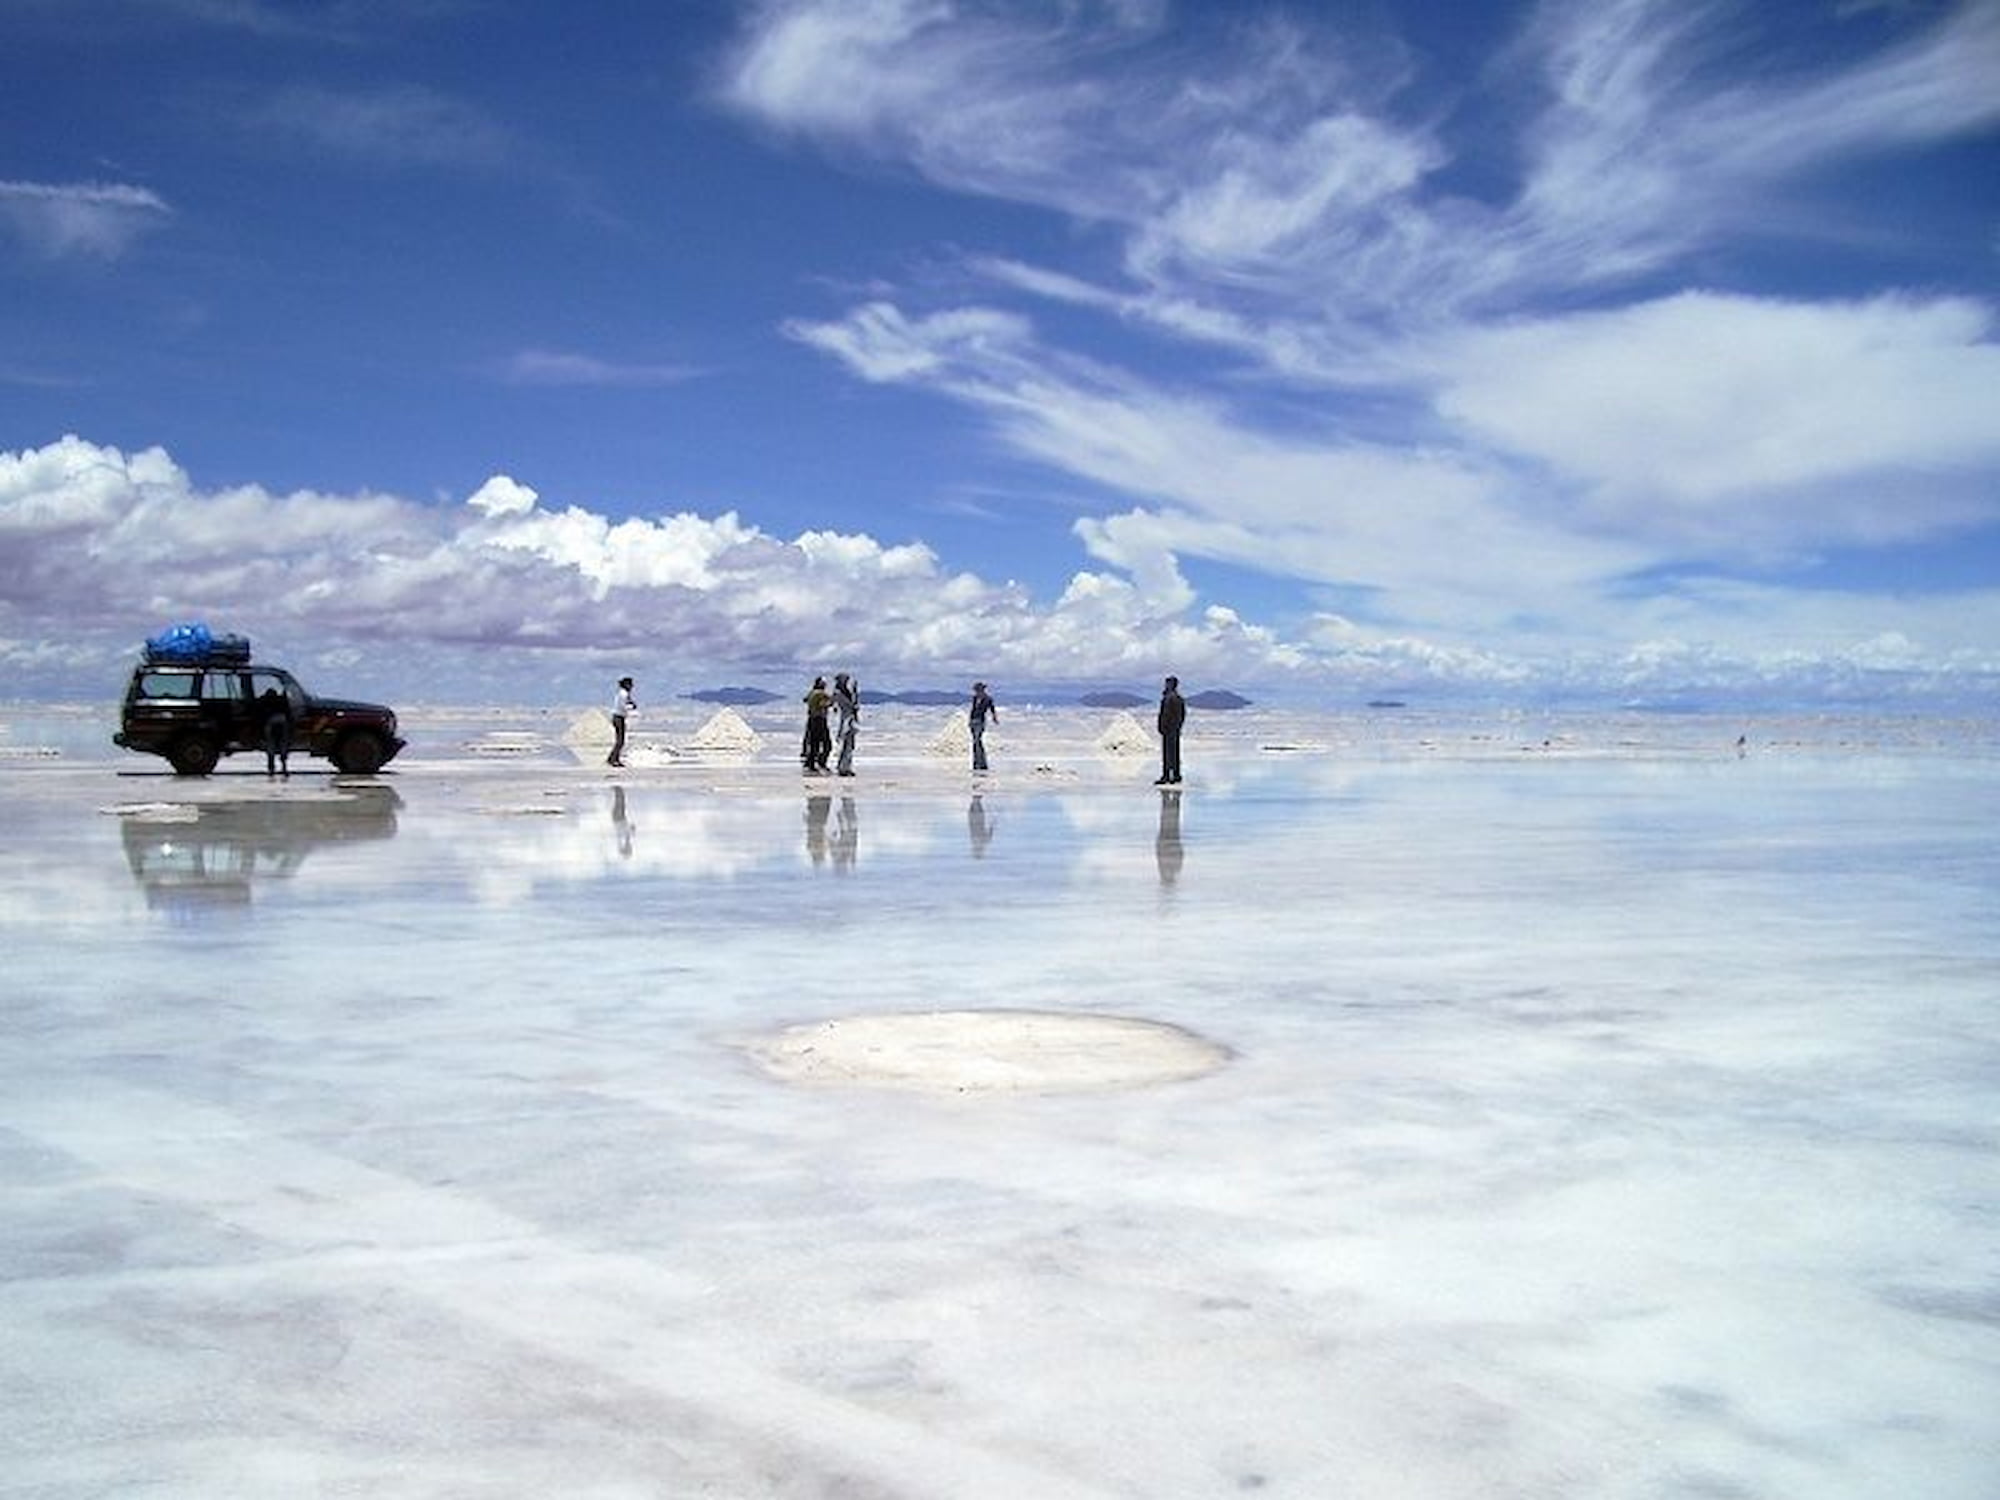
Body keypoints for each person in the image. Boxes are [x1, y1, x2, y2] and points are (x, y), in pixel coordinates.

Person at [1155, 674, 1185, 785]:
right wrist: (1178, 726)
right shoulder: (1178, 698)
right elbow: (1182, 715)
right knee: (1175, 753)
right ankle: (1176, 775)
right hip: (1174, 729)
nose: (1166, 685)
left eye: (1168, 683)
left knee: (1168, 754)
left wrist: (1162, 726)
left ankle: (1167, 775)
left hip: (1169, 729)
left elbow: (1165, 714)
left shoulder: (1169, 698)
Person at [801, 676, 832, 773]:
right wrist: (831, 701)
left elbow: (805, 700)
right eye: (824, 683)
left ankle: (810, 763)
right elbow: (823, 704)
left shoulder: (812, 693)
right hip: (819, 720)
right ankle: (820, 762)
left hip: (811, 719)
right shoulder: (820, 694)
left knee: (814, 743)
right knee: (827, 744)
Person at [259, 686, 291, 777]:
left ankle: (271, 768)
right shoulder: (282, 701)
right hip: (282, 722)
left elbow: (261, 713)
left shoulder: (265, 701)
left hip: (271, 723)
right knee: (283, 746)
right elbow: (288, 712)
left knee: (271, 746)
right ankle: (284, 767)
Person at [832, 672, 859, 777]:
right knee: (846, 744)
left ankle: (846, 766)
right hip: (846, 719)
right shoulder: (838, 692)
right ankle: (843, 767)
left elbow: (854, 705)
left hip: (850, 719)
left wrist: (855, 692)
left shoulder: (847, 692)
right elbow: (834, 703)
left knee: (850, 744)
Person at [969, 680, 997, 772]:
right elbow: (972, 710)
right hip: (973, 721)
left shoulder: (988, 699)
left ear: (982, 689)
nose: (977, 691)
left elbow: (992, 709)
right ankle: (976, 763)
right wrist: (970, 720)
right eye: (976, 690)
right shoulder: (974, 698)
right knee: (975, 742)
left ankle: (982, 763)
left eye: (978, 690)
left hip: (981, 721)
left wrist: (994, 718)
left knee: (978, 740)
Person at [607, 676, 636, 767]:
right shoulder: (623, 694)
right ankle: (613, 759)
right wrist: (631, 707)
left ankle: (614, 758)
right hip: (619, 717)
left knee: (620, 740)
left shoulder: (623, 693)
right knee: (620, 740)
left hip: (618, 717)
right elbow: (623, 706)